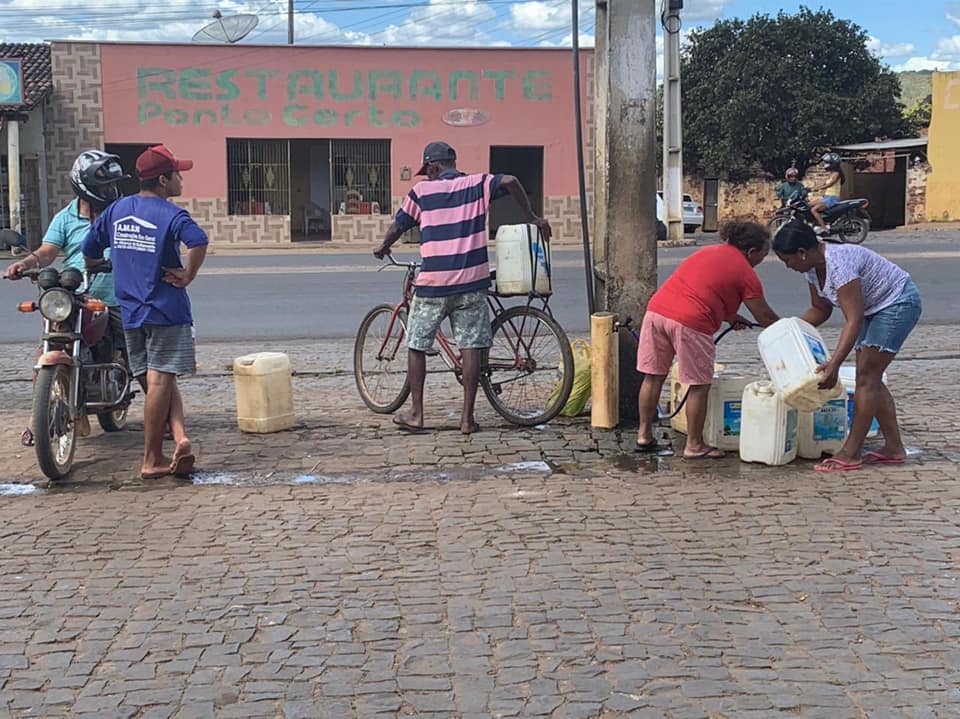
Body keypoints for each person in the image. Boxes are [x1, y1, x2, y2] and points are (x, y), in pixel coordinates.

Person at [373, 141, 552, 435]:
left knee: (416, 344)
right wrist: (531, 217)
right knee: (470, 346)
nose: (427, 176)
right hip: (471, 281)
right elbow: (511, 181)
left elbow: (399, 225)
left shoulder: (422, 192)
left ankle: (417, 414)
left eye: (427, 171)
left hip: (434, 283)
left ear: (433, 167)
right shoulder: (476, 184)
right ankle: (467, 419)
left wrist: (383, 246)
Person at [83, 144, 208, 480]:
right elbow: (198, 241)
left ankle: (179, 439)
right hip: (166, 310)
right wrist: (188, 274)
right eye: (177, 173)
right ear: (163, 180)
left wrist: (110, 263)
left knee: (160, 383)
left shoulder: (116, 210)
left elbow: (90, 250)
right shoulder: (172, 215)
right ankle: (151, 459)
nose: (181, 179)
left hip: (130, 313)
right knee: (160, 380)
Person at [773, 219, 922, 472]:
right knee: (870, 378)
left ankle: (851, 453)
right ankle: (894, 448)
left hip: (897, 303)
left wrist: (834, 364)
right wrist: (786, 332)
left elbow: (853, 319)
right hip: (873, 309)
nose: (788, 266)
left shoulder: (839, 264)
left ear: (802, 252)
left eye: (787, 260)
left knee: (867, 377)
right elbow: (820, 310)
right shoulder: (811, 268)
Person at [4, 150, 128, 447]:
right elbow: (49, 250)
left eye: (110, 186)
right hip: (75, 296)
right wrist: (26, 263)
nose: (108, 191)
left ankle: (162, 416)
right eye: (102, 187)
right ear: (84, 186)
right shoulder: (66, 216)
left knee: (139, 354)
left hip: (115, 296)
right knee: (49, 344)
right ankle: (41, 415)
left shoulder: (121, 212)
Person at [636, 221, 780, 459]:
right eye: (764, 254)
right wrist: (788, 330)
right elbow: (764, 316)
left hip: (657, 312)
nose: (762, 260)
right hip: (691, 323)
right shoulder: (746, 273)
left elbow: (704, 289)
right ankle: (694, 445)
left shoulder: (706, 252)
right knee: (698, 384)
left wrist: (731, 317)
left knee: (653, 376)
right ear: (751, 251)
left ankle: (644, 436)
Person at [809, 152, 844, 233]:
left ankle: (824, 228)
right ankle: (815, 223)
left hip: (832, 198)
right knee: (808, 205)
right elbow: (823, 183)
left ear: (833, 164)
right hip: (826, 197)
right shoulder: (831, 174)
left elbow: (829, 184)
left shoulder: (836, 174)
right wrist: (812, 188)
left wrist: (818, 189)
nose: (825, 164)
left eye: (827, 162)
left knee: (814, 210)